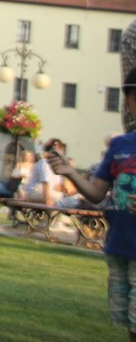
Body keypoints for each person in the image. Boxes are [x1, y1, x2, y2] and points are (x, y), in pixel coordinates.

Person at [47, 68, 136, 341]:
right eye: (134, 97)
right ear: (128, 101)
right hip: (119, 244)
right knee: (128, 319)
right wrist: (70, 173)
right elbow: (97, 193)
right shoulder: (120, 145)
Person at [22, 138, 66, 205]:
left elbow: (60, 183)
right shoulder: (45, 163)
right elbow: (45, 182)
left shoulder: (57, 164)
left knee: (66, 197)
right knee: (65, 198)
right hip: (35, 191)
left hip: (47, 191)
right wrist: (47, 200)